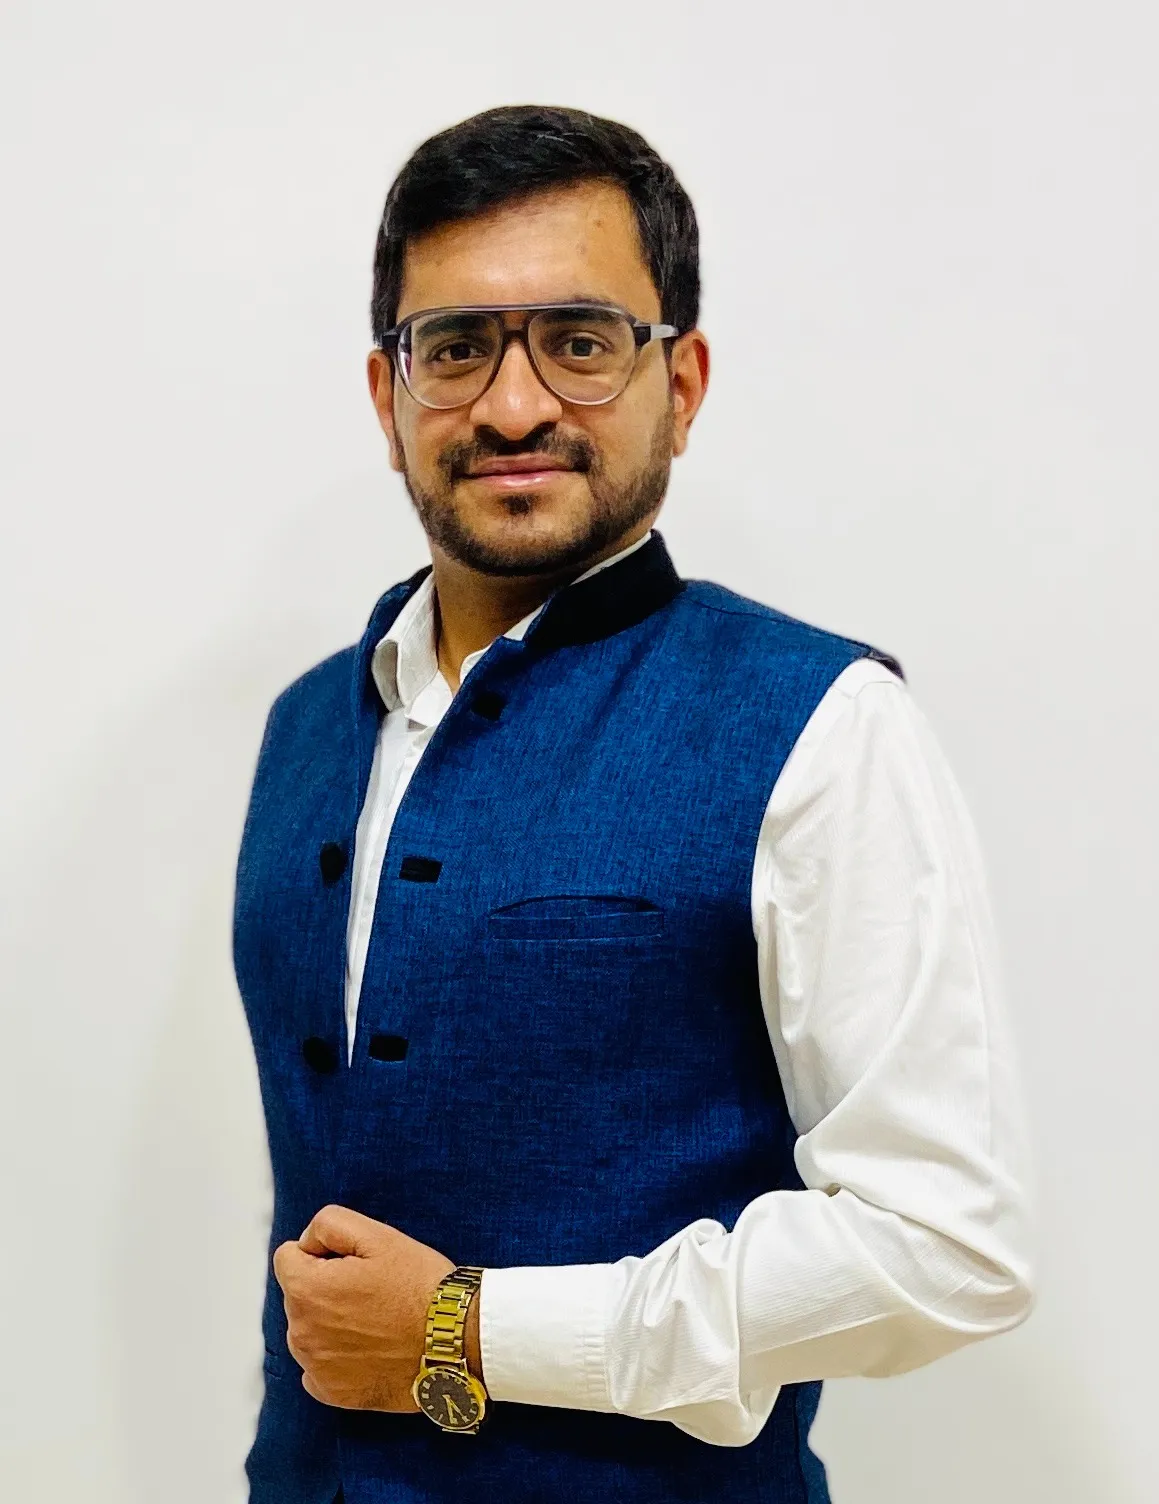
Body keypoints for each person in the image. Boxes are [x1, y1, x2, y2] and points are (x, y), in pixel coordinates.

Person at [232, 103, 1036, 1504]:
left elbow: (944, 1244)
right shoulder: (308, 725)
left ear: (685, 379)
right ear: (387, 395)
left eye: (581, 341)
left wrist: (463, 1332)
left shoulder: (819, 725)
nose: (512, 404)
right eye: (457, 345)